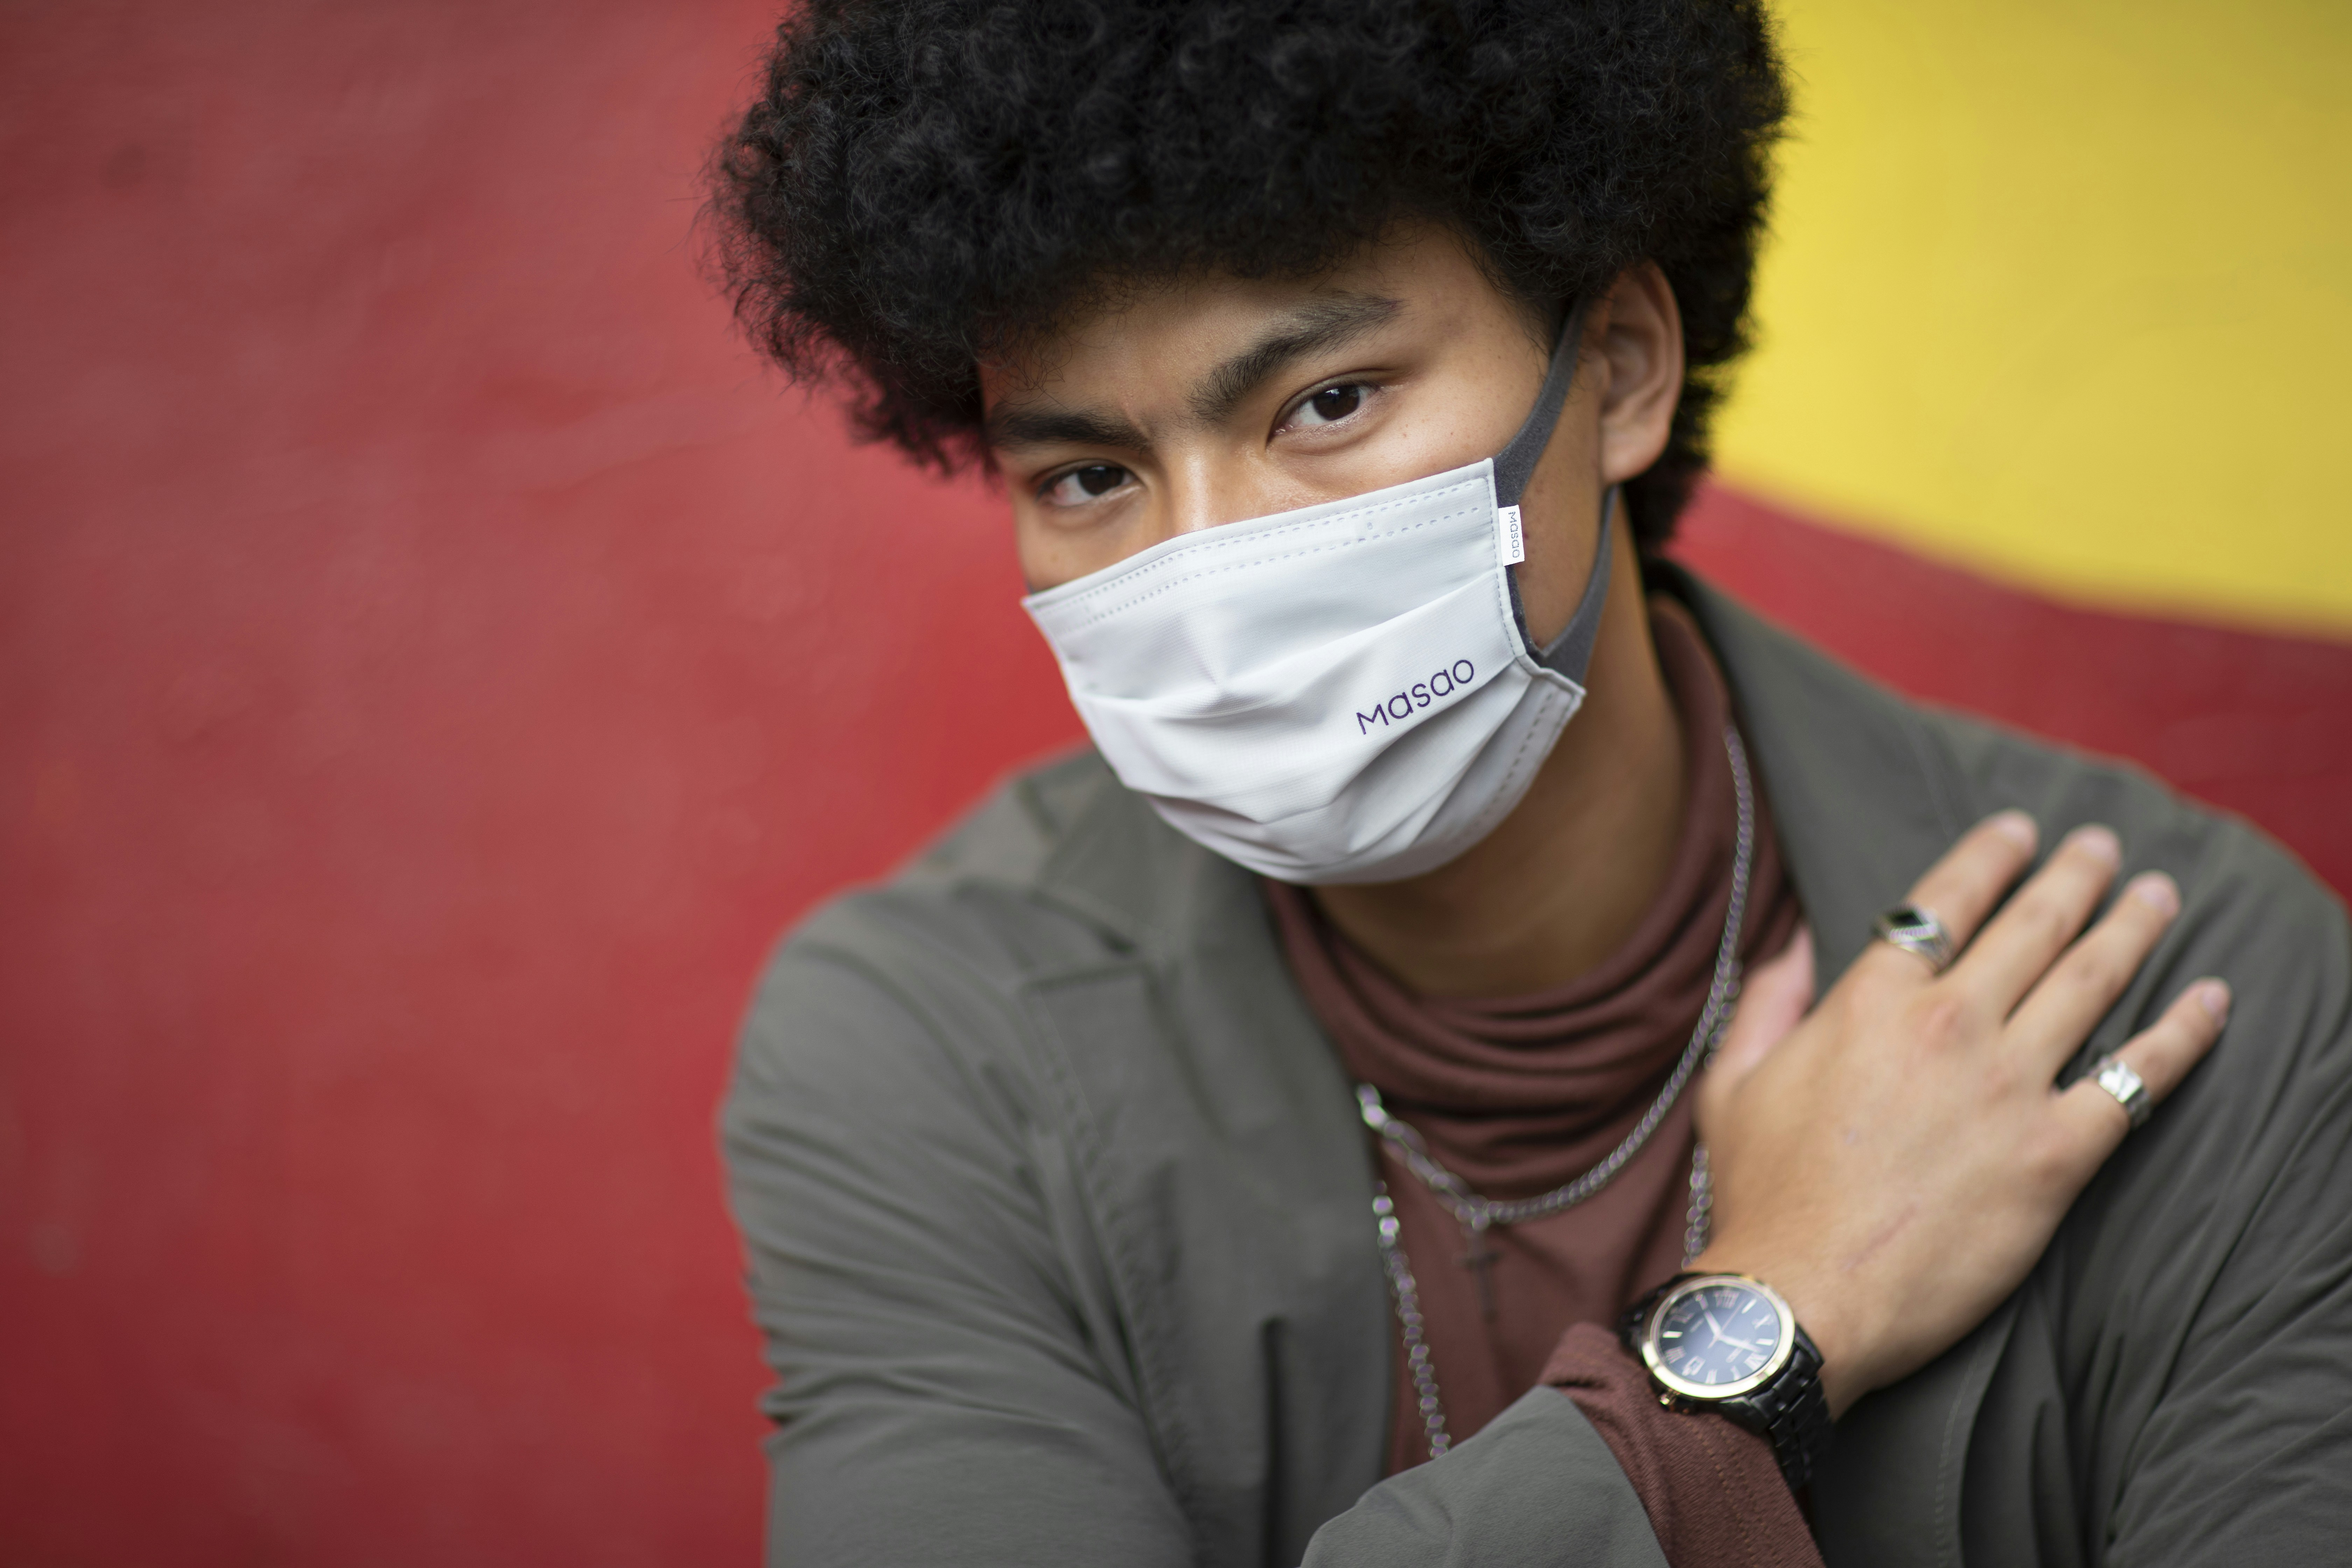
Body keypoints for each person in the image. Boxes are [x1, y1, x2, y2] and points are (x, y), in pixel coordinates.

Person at [705, 2, 2352, 1563]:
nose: (1208, 571)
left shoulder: (2192, 985)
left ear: (1623, 365)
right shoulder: (921, 1043)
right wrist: (1761, 1325)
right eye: (1088, 474)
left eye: (1328, 402)